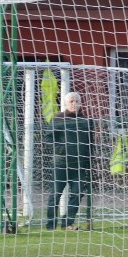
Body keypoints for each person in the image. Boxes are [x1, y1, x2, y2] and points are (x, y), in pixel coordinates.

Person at [45, 92, 93, 231]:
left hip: (79, 165)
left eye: (76, 101)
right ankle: (51, 225)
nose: (74, 103)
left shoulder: (86, 121)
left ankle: (67, 223)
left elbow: (90, 142)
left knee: (77, 193)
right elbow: (48, 138)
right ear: (65, 104)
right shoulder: (58, 119)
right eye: (71, 101)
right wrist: (60, 149)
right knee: (55, 194)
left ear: (80, 103)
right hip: (61, 164)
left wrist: (89, 161)